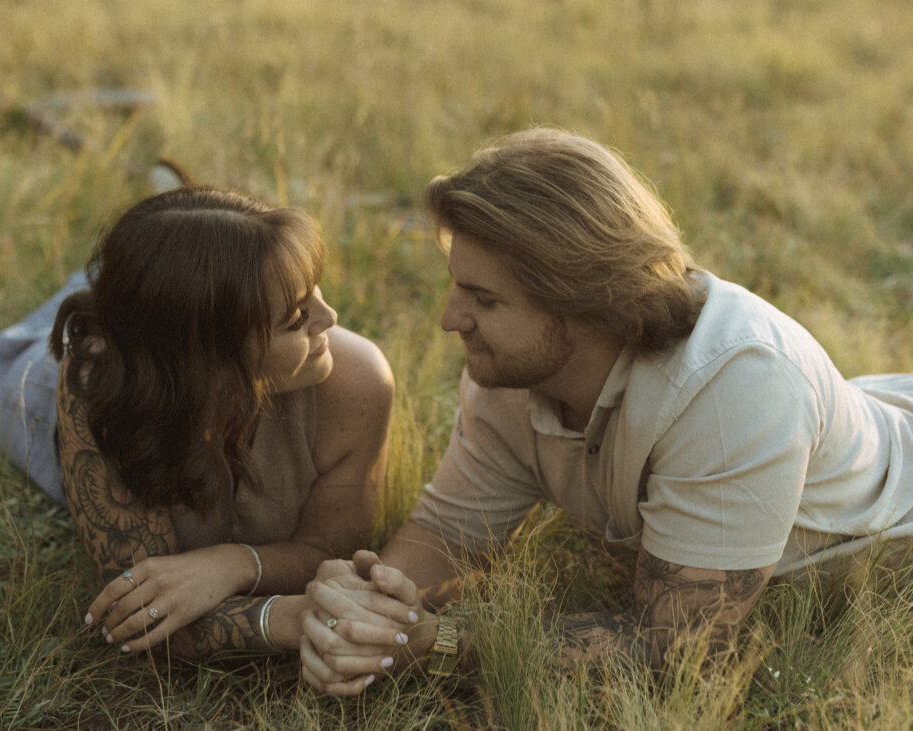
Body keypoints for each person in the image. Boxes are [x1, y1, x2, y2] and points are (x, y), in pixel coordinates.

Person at [297, 127, 913, 694]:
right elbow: (450, 535)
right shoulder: (512, 370)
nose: (450, 320)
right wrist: (370, 608)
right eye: (458, 287)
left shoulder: (738, 389)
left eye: (483, 299)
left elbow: (677, 653)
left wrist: (436, 643)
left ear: (586, 303)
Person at [0, 186, 394, 658]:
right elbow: (136, 612)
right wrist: (293, 620)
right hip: (42, 388)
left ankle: (168, 239)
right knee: (6, 358)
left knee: (162, 276)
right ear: (211, 357)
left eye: (313, 291)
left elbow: (326, 548)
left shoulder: (359, 380)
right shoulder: (97, 384)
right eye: (297, 317)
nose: (330, 318)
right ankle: (128, 272)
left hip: (170, 333)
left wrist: (233, 565)